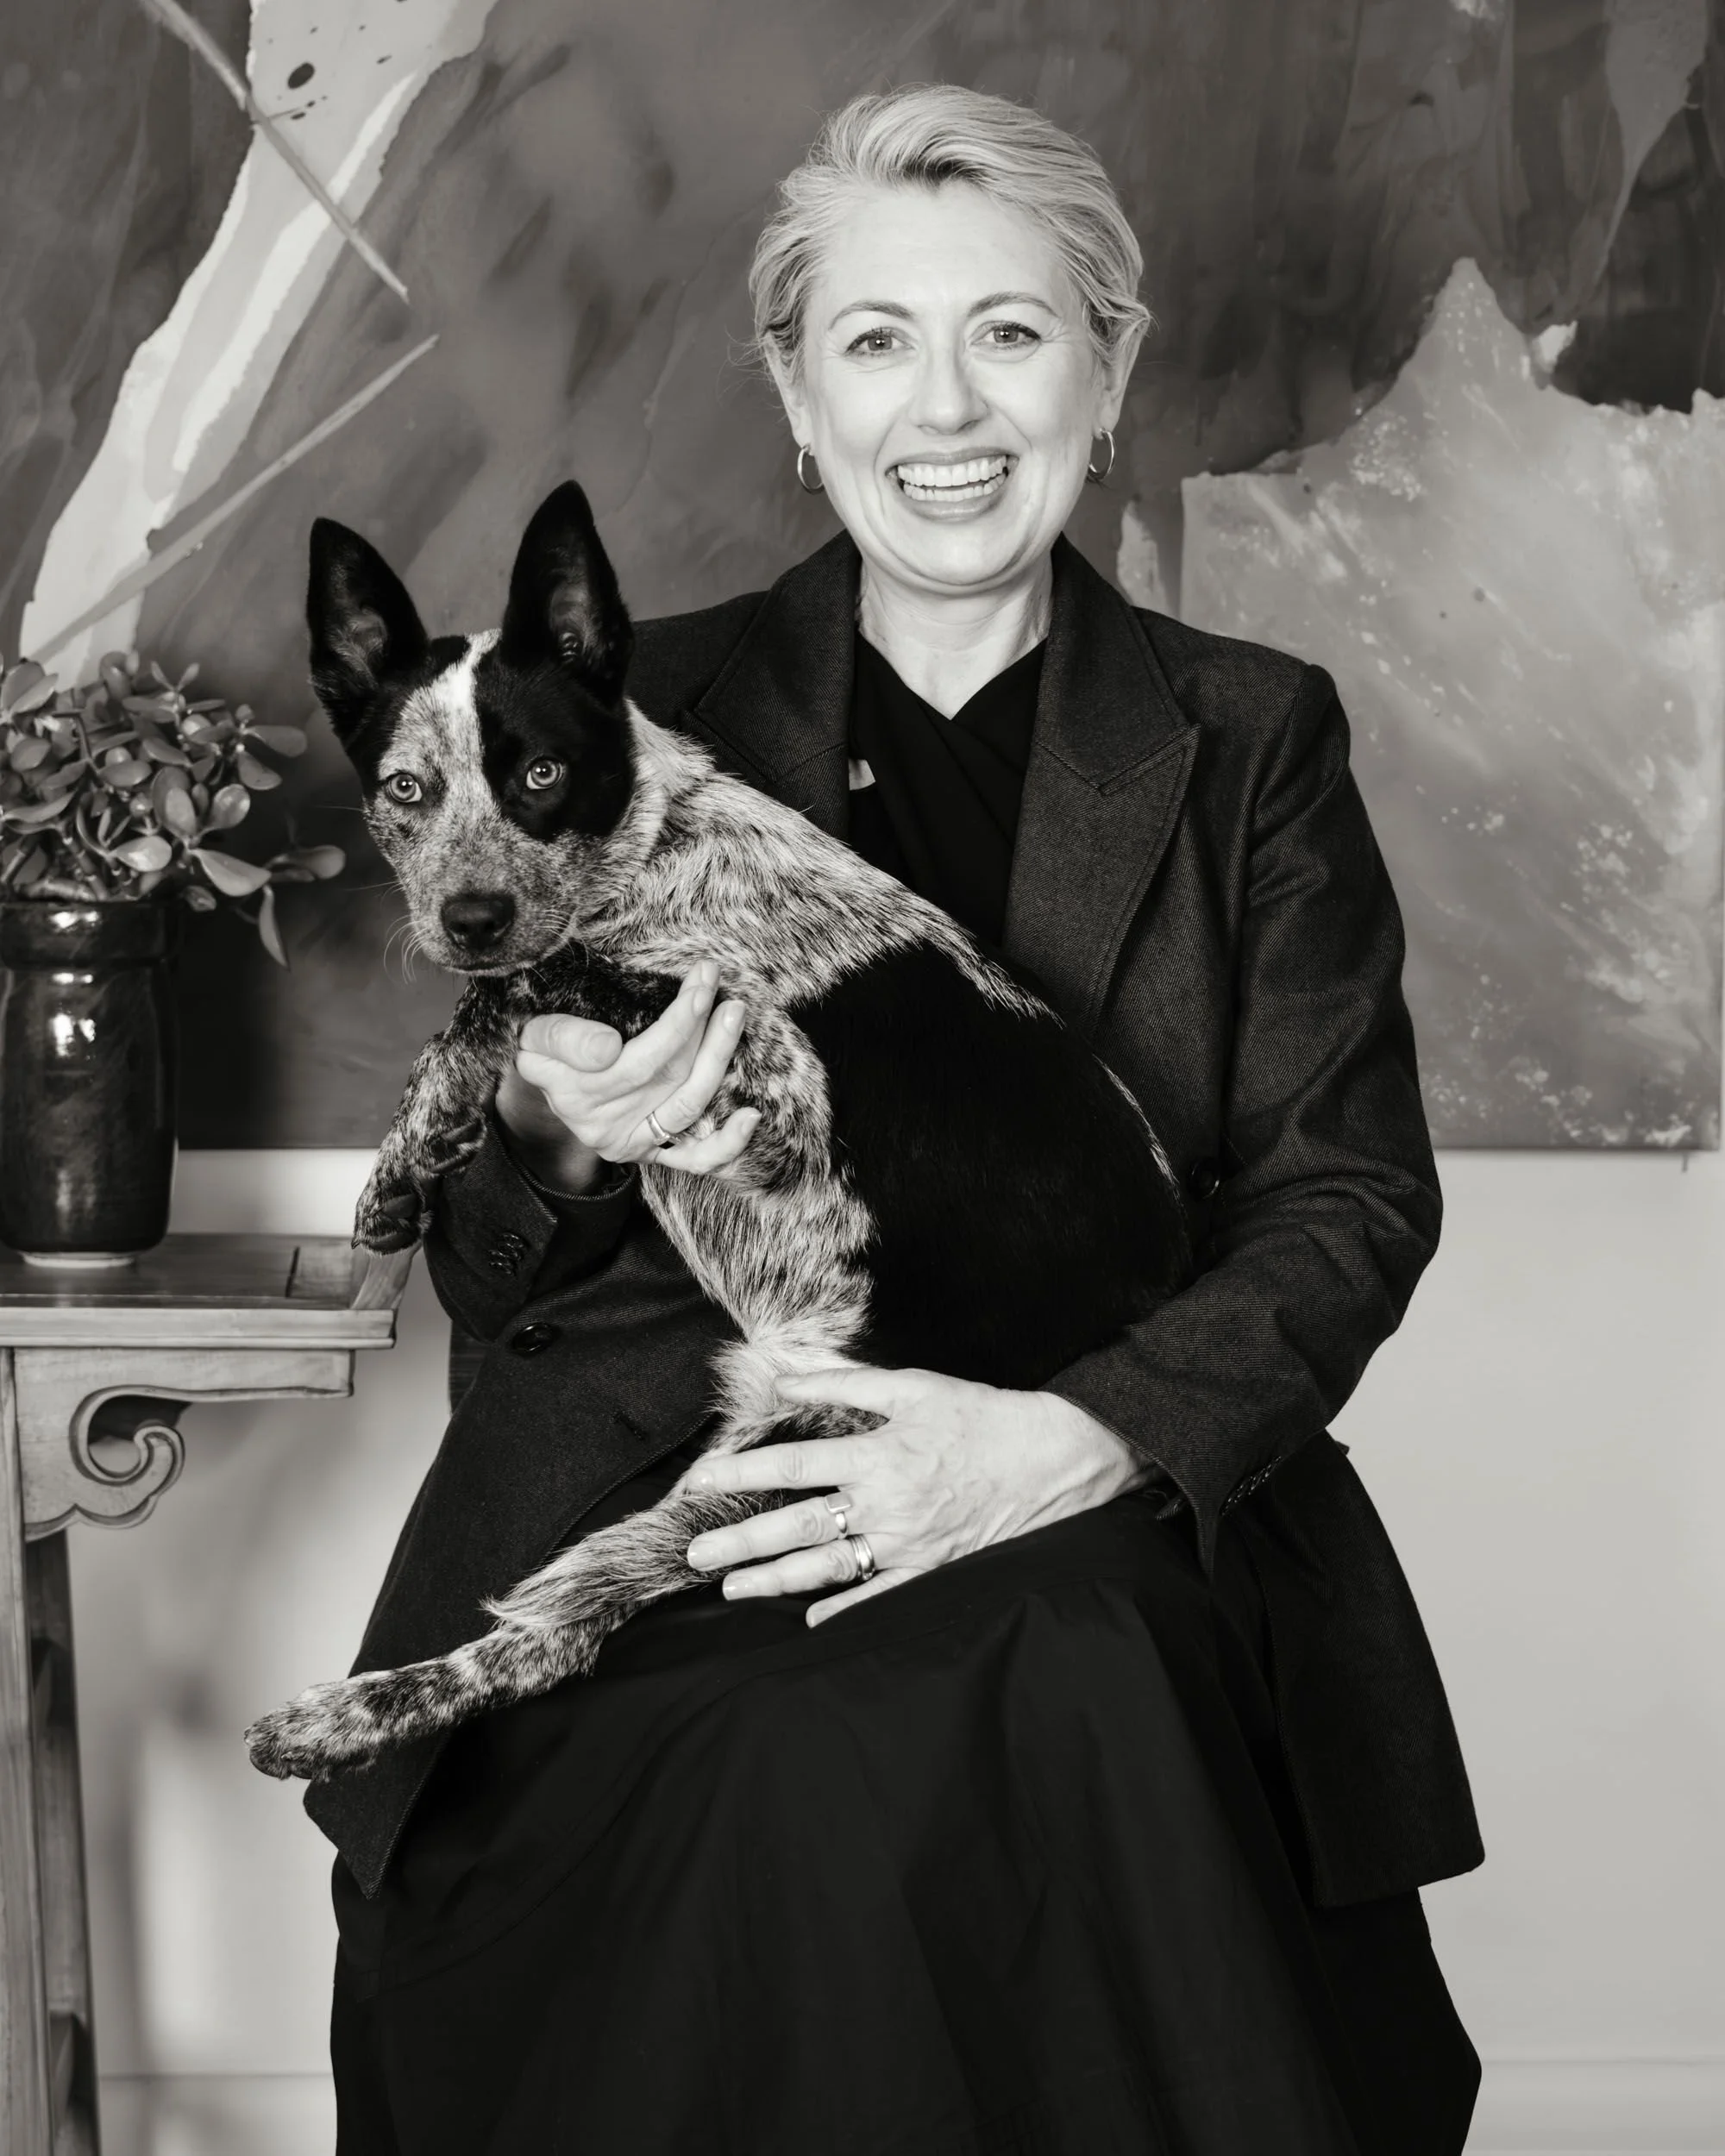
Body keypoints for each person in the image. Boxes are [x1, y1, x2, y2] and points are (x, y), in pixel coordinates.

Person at [314, 84, 1484, 2155]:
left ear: (1106, 368)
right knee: (748, 1783)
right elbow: (490, 1283)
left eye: (1009, 332)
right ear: (795, 392)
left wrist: (1065, 1438)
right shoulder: (586, 722)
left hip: (1093, 1490)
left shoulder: (1249, 737)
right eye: (874, 340)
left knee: (1037, 1711)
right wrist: (555, 1130)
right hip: (650, 1500)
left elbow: (1345, 1201)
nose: (944, 407)